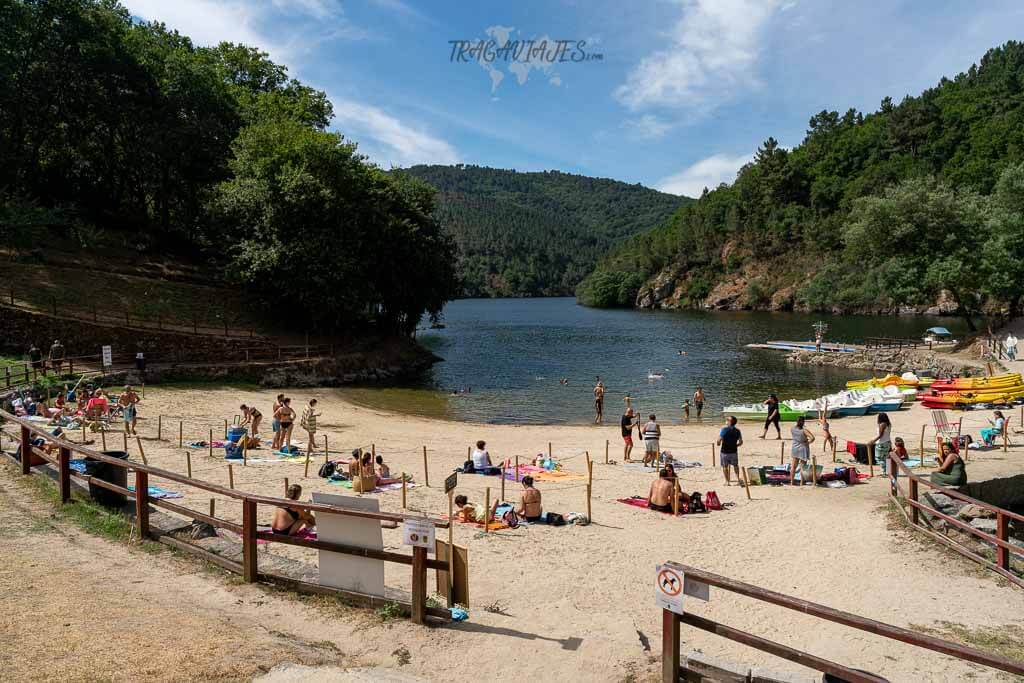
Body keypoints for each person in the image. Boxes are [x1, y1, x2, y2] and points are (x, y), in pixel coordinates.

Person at [789, 416, 815, 486]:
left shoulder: (792, 429)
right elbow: (812, 438)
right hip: (803, 448)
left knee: (793, 466)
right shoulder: (804, 430)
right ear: (803, 422)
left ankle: (792, 481)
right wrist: (807, 442)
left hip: (795, 447)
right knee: (802, 466)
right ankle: (801, 482)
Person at [717, 415, 743, 486]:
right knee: (735, 466)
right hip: (734, 451)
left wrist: (718, 443)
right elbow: (740, 442)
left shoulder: (724, 429)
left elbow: (719, 440)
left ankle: (727, 481)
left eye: (727, 419)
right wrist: (735, 445)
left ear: (729, 422)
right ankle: (738, 479)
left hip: (724, 451)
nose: (726, 420)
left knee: (725, 467)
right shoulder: (737, 431)